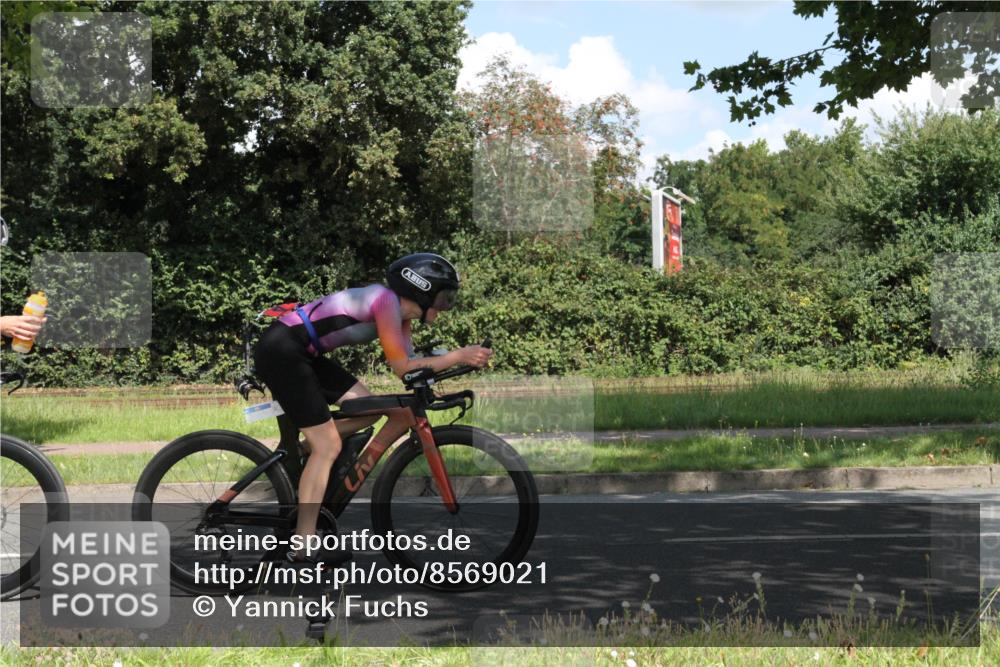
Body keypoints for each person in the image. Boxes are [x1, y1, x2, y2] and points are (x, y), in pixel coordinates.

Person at [253, 252, 492, 566]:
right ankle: (302, 545)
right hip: (282, 349)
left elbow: (408, 371)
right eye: (444, 297)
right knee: (328, 446)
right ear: (422, 290)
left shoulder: (401, 316)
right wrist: (459, 356)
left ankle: (306, 446)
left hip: (302, 351)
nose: (446, 306)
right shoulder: (385, 303)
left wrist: (444, 367)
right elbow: (402, 365)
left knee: (370, 409)